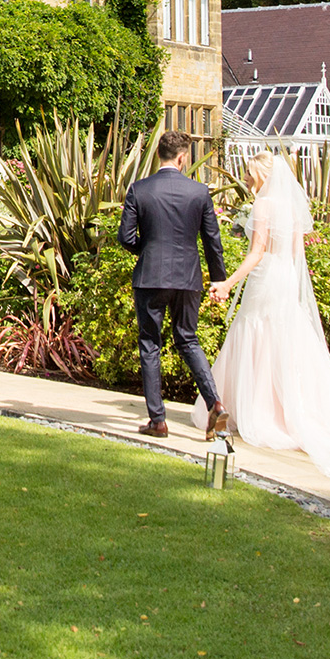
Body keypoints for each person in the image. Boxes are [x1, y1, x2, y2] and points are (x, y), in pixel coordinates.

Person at [198, 152, 330, 477]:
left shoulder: (263, 205)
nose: (247, 180)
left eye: (249, 174)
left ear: (261, 175)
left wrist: (228, 283)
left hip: (265, 278)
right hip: (286, 277)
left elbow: (257, 253)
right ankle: (286, 410)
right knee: (284, 338)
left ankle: (258, 412)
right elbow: (293, 253)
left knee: (256, 334)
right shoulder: (289, 206)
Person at [117, 129, 228, 441]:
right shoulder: (199, 192)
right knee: (188, 339)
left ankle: (158, 420)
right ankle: (215, 404)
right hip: (188, 277)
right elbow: (212, 242)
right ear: (183, 158)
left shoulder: (140, 189)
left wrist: (149, 249)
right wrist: (219, 279)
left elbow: (125, 237)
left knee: (150, 345)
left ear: (159, 155)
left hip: (151, 276)